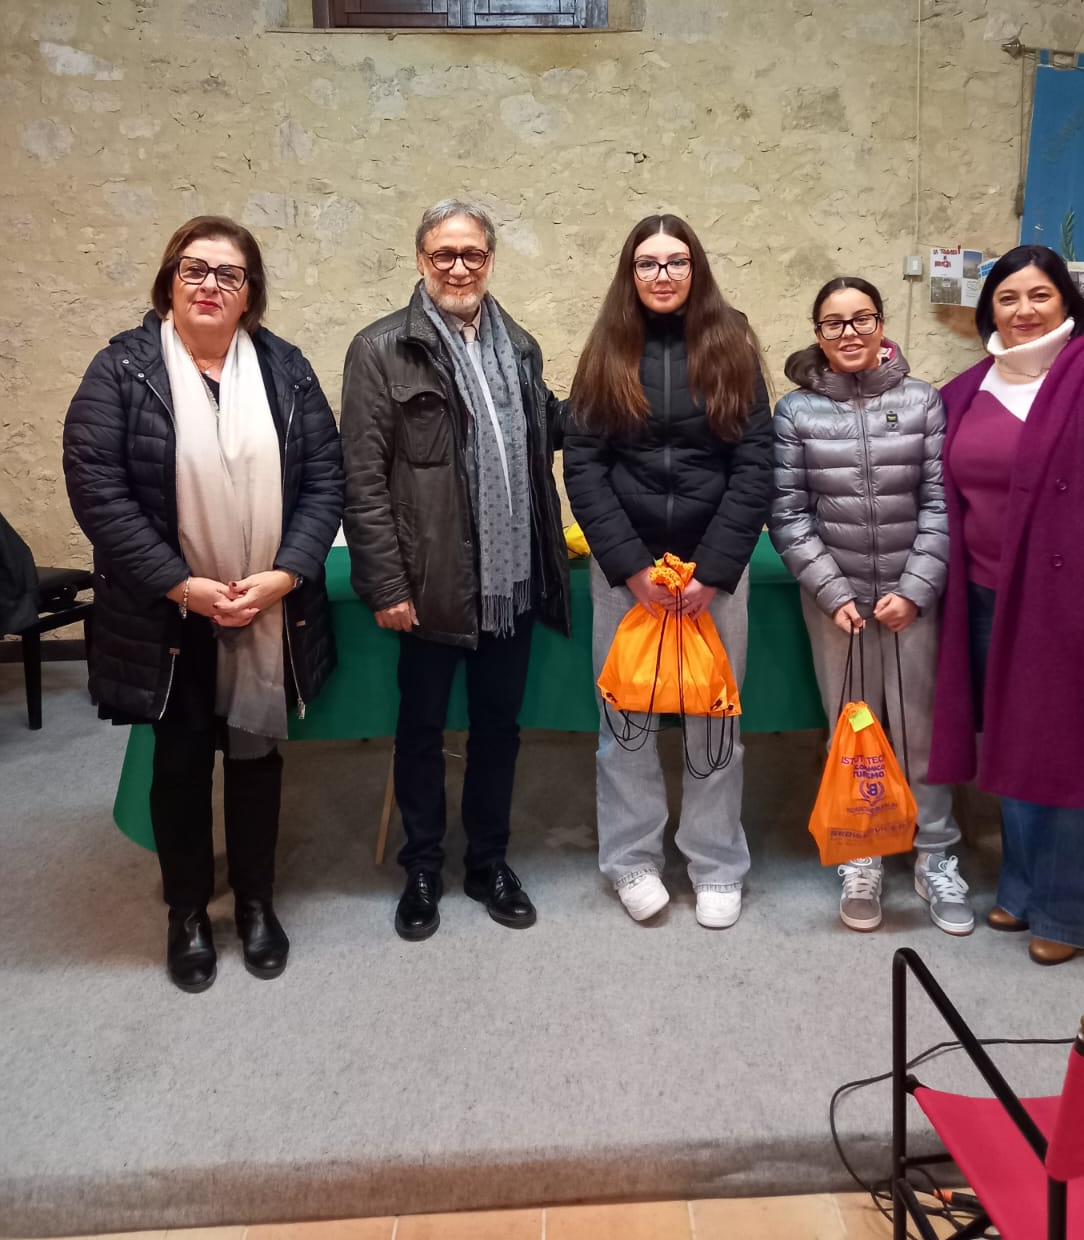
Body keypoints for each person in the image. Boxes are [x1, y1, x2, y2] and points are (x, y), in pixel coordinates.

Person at [63, 217, 343, 993]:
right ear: (170, 282)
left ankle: (255, 903)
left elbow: (326, 477)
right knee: (181, 762)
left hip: (265, 607)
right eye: (195, 269)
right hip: (170, 613)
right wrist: (181, 584)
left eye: (229, 273)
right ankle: (186, 912)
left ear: (250, 293)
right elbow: (98, 490)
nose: (210, 285)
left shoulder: (286, 368)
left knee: (254, 757)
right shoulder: (122, 368)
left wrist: (287, 573)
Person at [929, 244, 1084, 964]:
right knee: (1015, 744)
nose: (1023, 311)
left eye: (1039, 295)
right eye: (1008, 298)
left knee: (1077, 755)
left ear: (1067, 301)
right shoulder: (967, 389)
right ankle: (1021, 888)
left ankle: (1067, 912)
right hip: (986, 600)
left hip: (1076, 607)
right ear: (989, 309)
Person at [340, 199, 570, 942]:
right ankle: (422, 869)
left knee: (499, 729)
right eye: (445, 254)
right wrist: (386, 584)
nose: (459, 267)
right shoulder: (380, 349)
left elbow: (541, 435)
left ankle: (488, 863)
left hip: (511, 582)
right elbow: (362, 480)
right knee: (421, 730)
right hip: (429, 581)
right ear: (421, 261)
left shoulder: (521, 346)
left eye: (473, 254)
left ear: (490, 260)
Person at [563, 214, 772, 929]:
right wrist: (629, 569)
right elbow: (584, 468)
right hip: (629, 576)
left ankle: (716, 864)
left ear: (695, 269)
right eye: (648, 263)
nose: (662, 275)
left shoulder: (733, 345)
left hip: (713, 576)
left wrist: (714, 569)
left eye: (676, 261)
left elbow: (755, 464)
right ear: (631, 273)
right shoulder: (604, 351)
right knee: (626, 725)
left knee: (714, 726)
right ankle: (632, 860)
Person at [770, 277, 971, 935]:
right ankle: (863, 855)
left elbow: (940, 503)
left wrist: (915, 590)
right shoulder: (795, 412)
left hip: (913, 599)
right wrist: (833, 594)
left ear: (881, 325)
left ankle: (935, 855)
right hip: (839, 607)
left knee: (920, 729)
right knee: (853, 732)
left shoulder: (922, 401)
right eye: (834, 323)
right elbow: (788, 513)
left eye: (862, 319)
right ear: (818, 335)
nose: (850, 332)